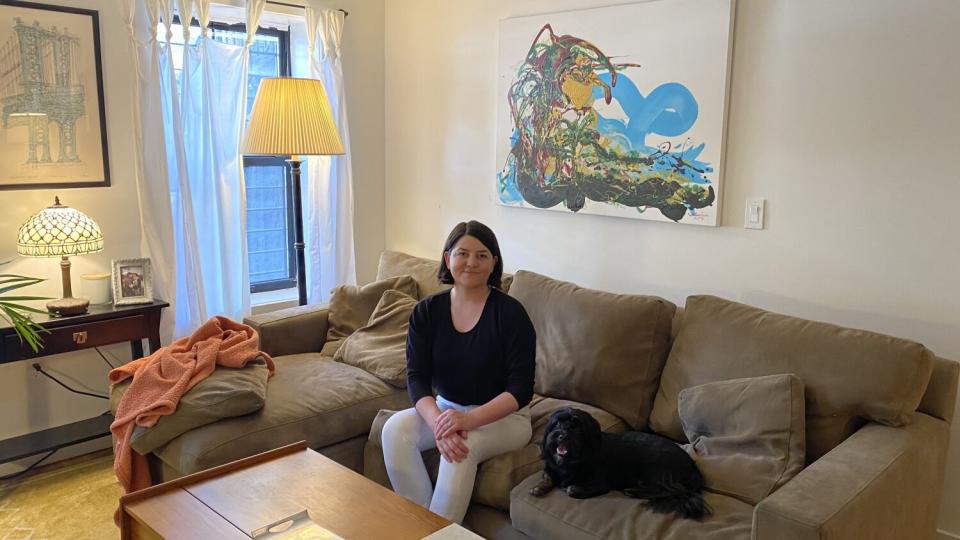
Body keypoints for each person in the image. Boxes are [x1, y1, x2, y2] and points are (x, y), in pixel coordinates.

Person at [381, 220, 536, 523]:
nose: (471, 262)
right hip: (447, 408)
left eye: (482, 255)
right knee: (394, 430)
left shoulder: (511, 314)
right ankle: (426, 528)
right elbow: (417, 378)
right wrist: (441, 423)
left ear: (494, 263)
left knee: (459, 449)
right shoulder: (427, 312)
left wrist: (467, 420)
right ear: (447, 258)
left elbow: (520, 389)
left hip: (505, 418)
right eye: (462, 253)